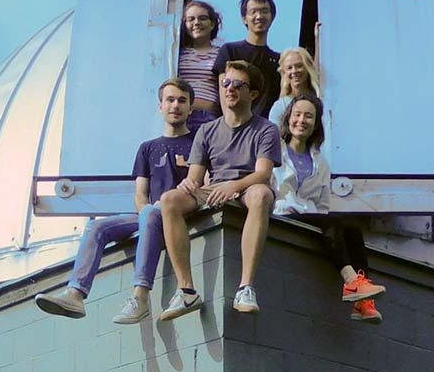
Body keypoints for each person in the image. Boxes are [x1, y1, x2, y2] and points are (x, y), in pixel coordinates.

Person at [34, 79, 197, 324]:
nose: (176, 105)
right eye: (170, 100)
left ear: (190, 108)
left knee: (153, 213)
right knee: (98, 226)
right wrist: (145, 215)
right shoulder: (147, 148)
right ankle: (75, 294)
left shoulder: (197, 142)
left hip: (179, 215)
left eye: (182, 100)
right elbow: (140, 194)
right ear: (160, 106)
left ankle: (140, 296)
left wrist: (152, 215)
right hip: (151, 214)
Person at [158, 60, 280, 319]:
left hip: (246, 187)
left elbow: (263, 173)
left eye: (238, 84)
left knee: (261, 194)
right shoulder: (207, 130)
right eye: (226, 83)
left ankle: (245, 287)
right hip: (213, 189)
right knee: (169, 200)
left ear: (253, 94)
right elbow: (195, 176)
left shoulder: (266, 129)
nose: (230, 89)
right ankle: (187, 291)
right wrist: (189, 183)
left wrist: (233, 186)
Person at [271, 93, 386, 323]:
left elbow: (323, 204)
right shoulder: (275, 150)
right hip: (283, 212)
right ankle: (351, 282)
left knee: (352, 228)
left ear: (315, 124)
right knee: (332, 222)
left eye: (309, 116)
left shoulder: (320, 162)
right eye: (297, 114)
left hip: (311, 215)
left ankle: (363, 302)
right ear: (288, 118)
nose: (301, 120)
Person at [211, 0, 282, 119]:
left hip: (264, 129)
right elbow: (224, 90)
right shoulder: (230, 50)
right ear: (244, 18)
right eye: (253, 12)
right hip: (233, 126)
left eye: (264, 11)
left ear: (272, 17)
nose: (259, 16)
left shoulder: (279, 60)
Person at [178, 0, 223, 132]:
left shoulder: (222, 53)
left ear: (212, 24)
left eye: (202, 18)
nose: (196, 23)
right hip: (180, 117)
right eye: (191, 19)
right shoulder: (177, 54)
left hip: (208, 118)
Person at [267, 44, 322, 130]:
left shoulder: (321, 98)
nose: (294, 71)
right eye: (289, 68)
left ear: (308, 68)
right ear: (284, 72)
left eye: (299, 66)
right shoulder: (281, 106)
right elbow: (274, 138)